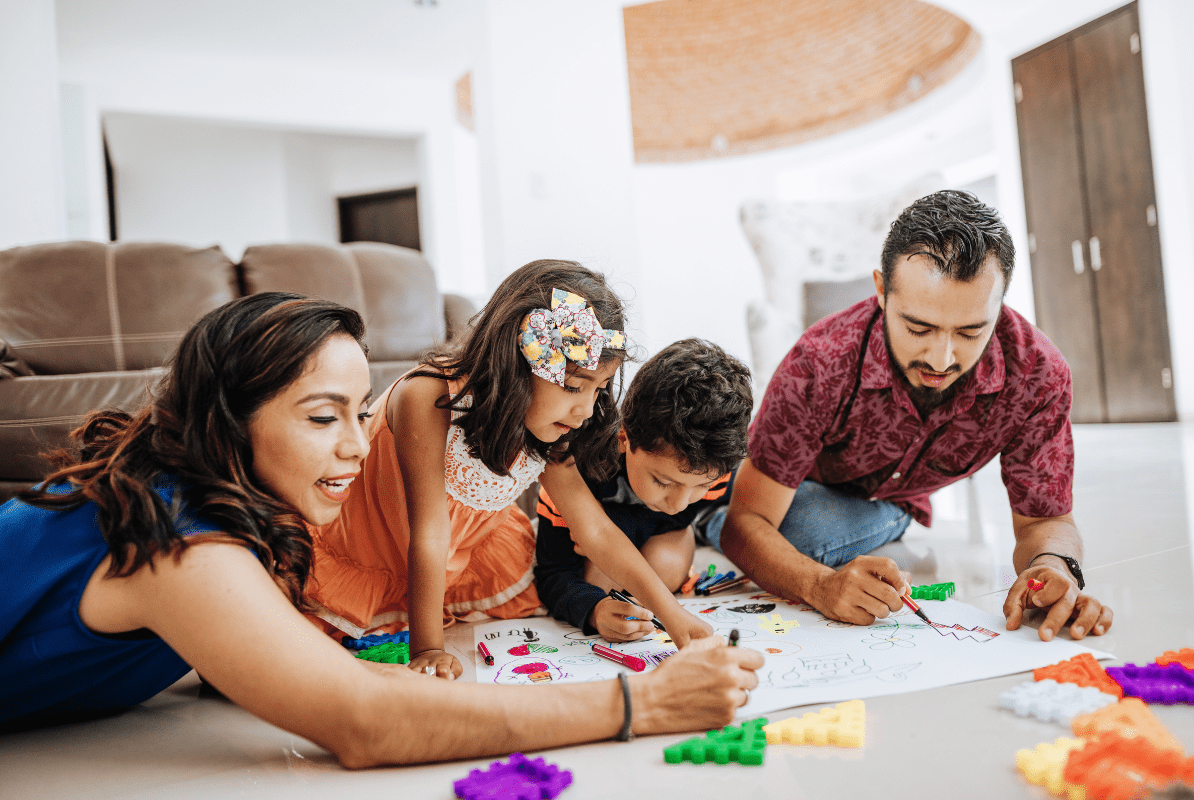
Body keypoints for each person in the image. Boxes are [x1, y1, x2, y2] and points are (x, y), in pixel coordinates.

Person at [0, 291, 762, 760]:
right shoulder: (182, 542)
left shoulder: (234, 516)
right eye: (322, 417)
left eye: (359, 413)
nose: (361, 448)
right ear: (229, 423)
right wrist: (644, 704)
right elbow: (363, 720)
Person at [704, 190, 1114, 642]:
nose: (941, 359)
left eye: (971, 331)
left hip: (892, 501)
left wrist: (1053, 567)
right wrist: (819, 586)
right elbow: (749, 522)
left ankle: (706, 508)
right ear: (881, 291)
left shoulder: (1037, 373)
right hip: (797, 482)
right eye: (918, 328)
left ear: (999, 306)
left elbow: (1044, 521)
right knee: (784, 529)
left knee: (804, 533)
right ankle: (707, 509)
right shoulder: (819, 363)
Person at [304, 260, 715, 680]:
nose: (586, 409)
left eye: (599, 388)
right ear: (518, 363)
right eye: (574, 386)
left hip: (462, 555)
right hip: (376, 544)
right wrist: (428, 648)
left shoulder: (555, 425)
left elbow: (595, 530)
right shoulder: (427, 396)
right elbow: (428, 532)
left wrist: (673, 616)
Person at [535, 338, 752, 641]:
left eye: (701, 486)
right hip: (597, 533)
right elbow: (551, 574)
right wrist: (595, 609)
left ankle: (693, 530)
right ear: (624, 438)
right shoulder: (577, 469)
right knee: (599, 578)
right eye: (663, 482)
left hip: (664, 536)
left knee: (666, 565)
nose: (679, 503)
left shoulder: (715, 468)